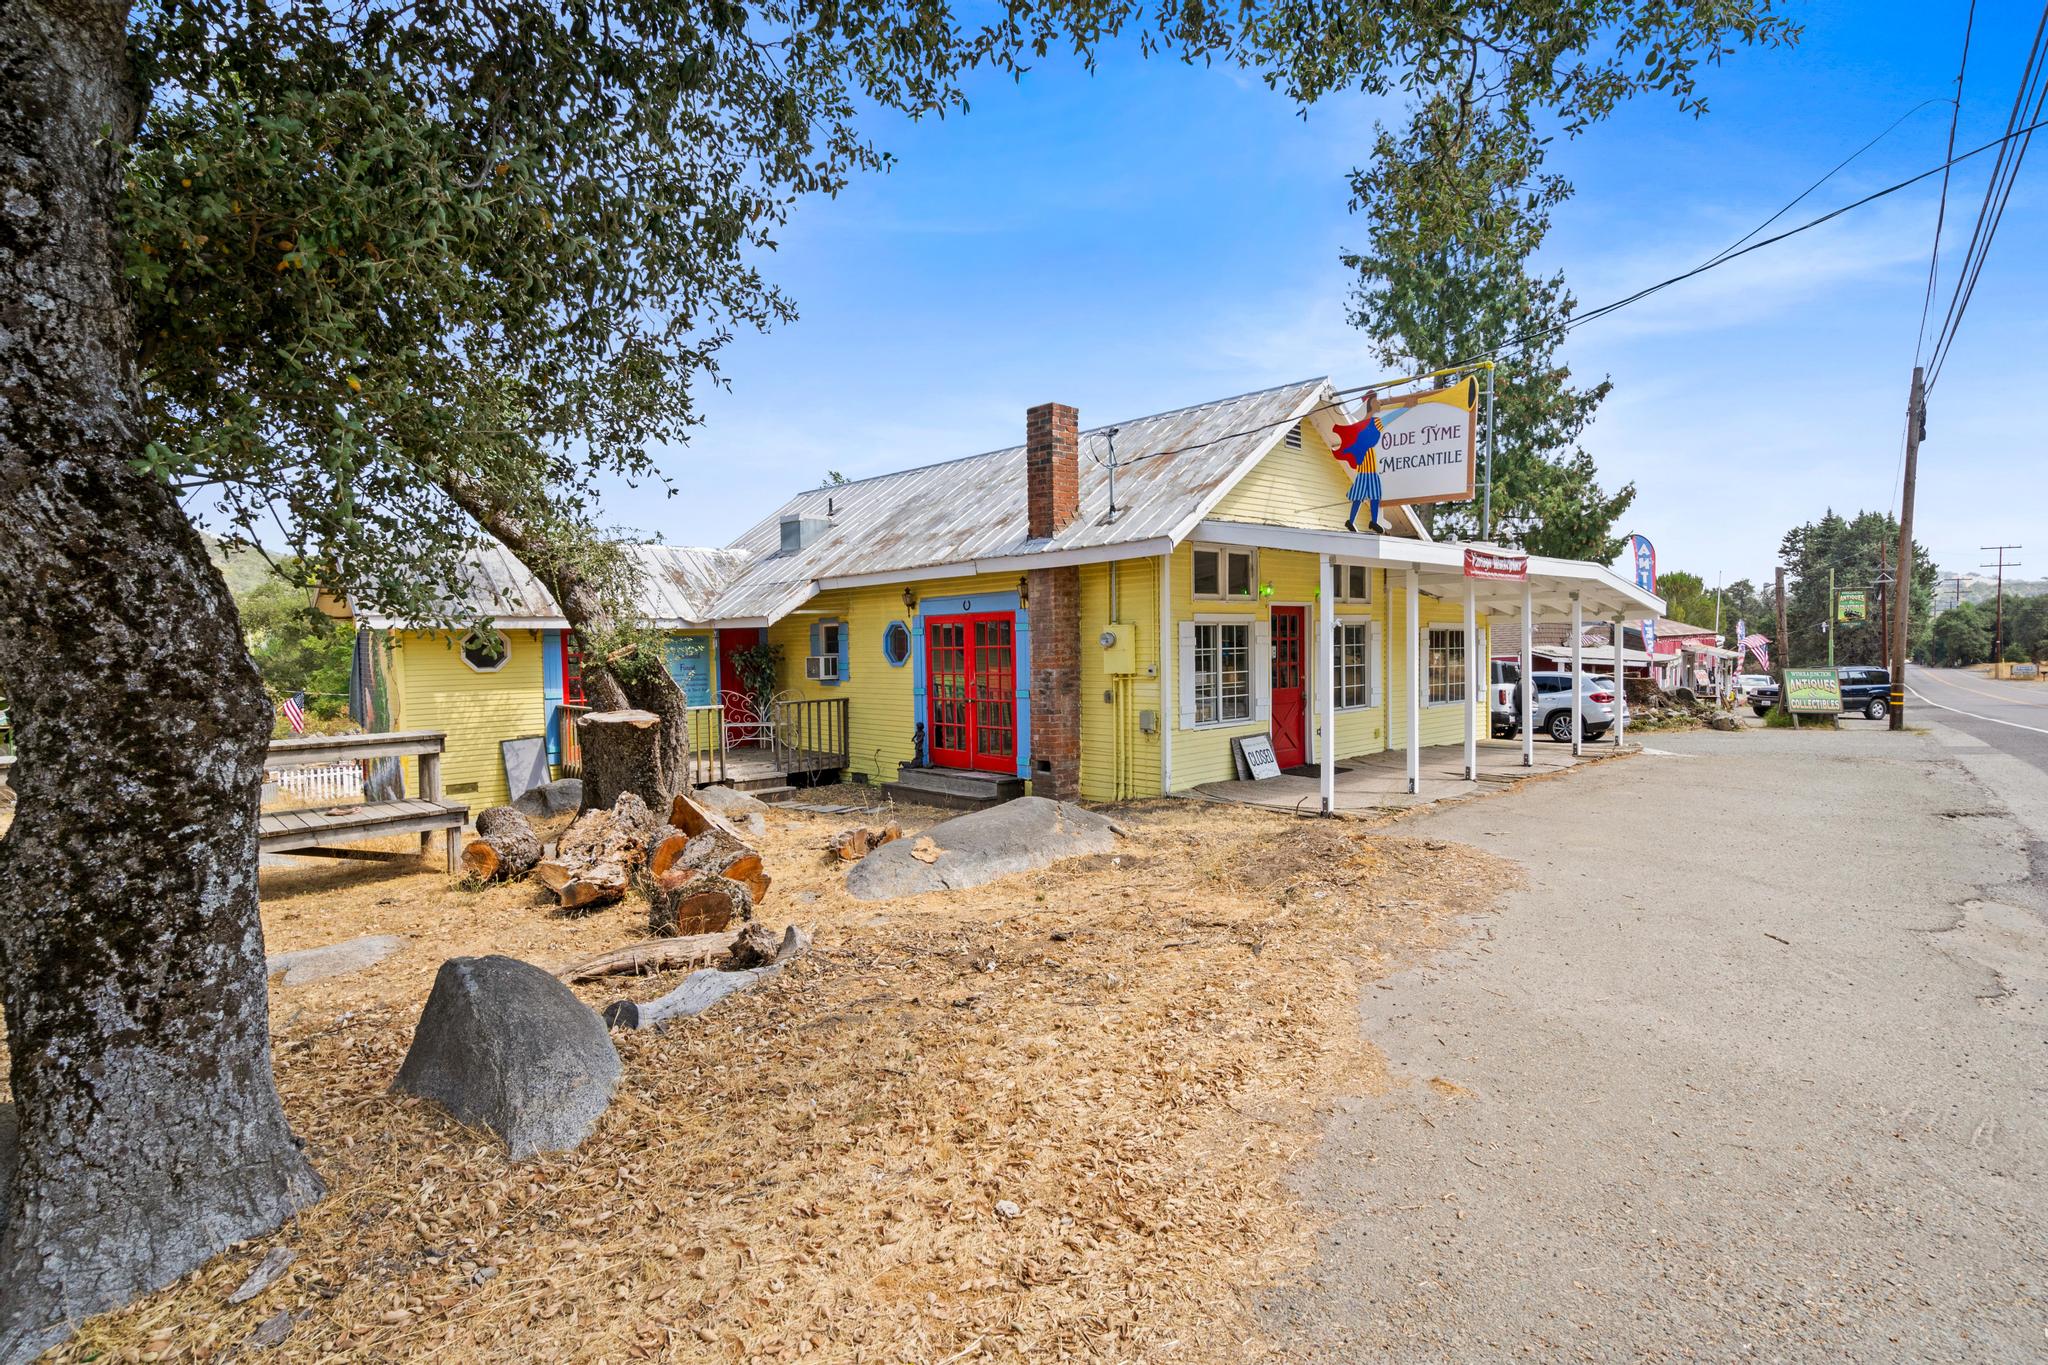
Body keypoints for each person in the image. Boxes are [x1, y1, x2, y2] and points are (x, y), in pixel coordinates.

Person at [1331, 392, 1385, 532]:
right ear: (1371, 403)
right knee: (1373, 495)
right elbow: (1391, 418)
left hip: (1364, 467)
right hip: (1368, 468)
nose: (1380, 403)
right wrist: (1405, 407)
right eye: (1377, 401)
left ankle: (1354, 521)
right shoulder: (1373, 423)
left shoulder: (1361, 426)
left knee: (1361, 495)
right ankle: (1369, 522)